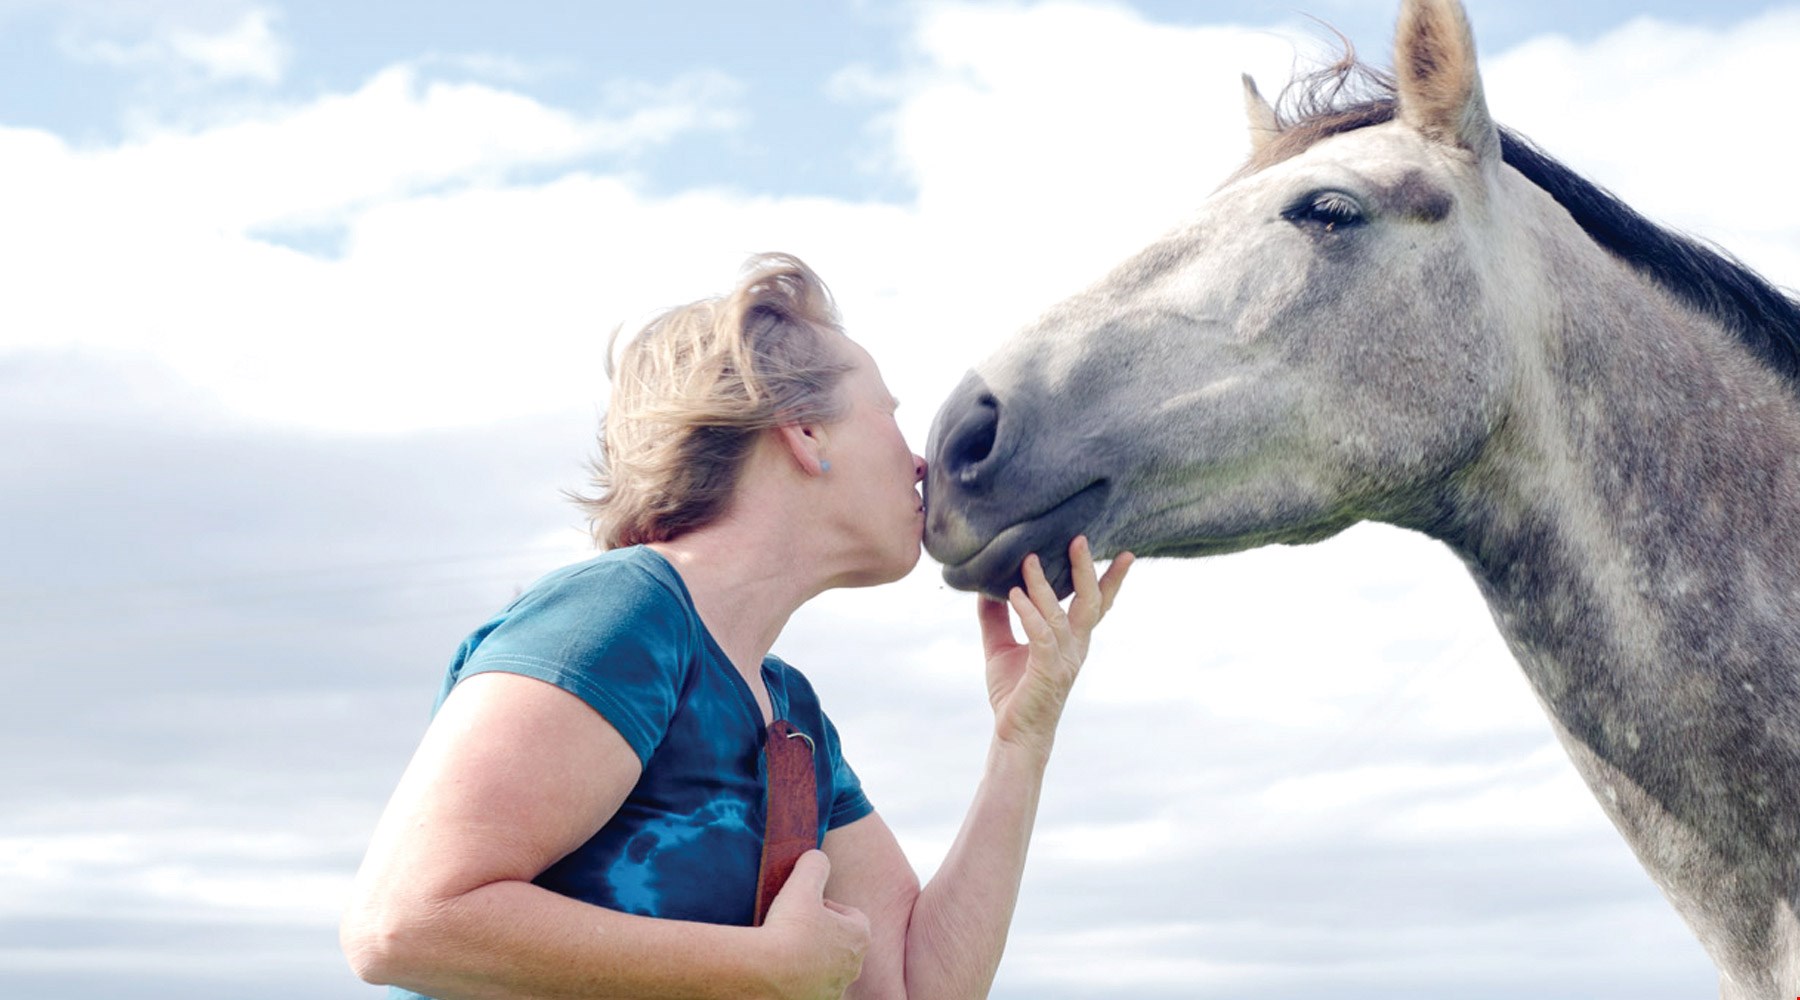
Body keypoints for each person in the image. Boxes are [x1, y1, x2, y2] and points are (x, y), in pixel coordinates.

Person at [339, 252, 1133, 999]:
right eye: (888, 412)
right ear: (804, 432)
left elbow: (915, 986)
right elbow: (403, 922)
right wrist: (762, 970)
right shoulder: (623, 613)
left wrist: (1023, 737)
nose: (920, 460)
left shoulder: (791, 711)